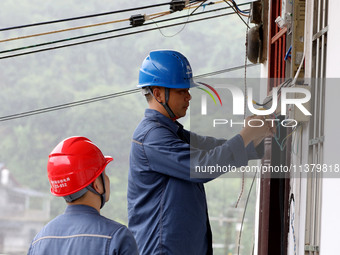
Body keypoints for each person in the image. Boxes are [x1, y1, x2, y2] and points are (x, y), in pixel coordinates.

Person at [128, 50, 274, 255]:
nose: (188, 96)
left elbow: (211, 147)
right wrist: (248, 133)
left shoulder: (170, 132)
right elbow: (204, 166)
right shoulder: (152, 137)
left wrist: (256, 140)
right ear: (158, 93)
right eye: (181, 91)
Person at [28, 136, 139, 255]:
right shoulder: (118, 237)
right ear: (97, 184)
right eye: (104, 174)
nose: (107, 179)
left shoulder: (39, 240)